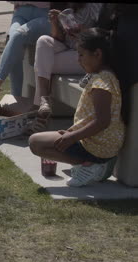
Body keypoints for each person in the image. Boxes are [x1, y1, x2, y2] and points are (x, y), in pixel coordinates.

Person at [28, 28, 125, 187]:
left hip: (97, 147)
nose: (78, 60)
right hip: (97, 143)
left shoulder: (102, 84)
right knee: (41, 140)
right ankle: (92, 164)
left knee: (35, 143)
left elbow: (103, 121)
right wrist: (73, 132)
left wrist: (72, 137)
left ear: (98, 54)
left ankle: (91, 165)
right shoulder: (104, 75)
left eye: (81, 54)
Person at [27, 3, 103, 134]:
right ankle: (44, 101)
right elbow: (59, 39)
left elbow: (102, 34)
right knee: (43, 41)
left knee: (42, 63)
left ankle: (40, 113)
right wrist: (55, 23)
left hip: (86, 56)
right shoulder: (68, 6)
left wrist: (81, 31)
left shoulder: (95, 6)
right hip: (68, 50)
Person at [0, 2, 51, 96]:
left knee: (18, 36)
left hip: (46, 15)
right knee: (14, 41)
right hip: (21, 13)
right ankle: (16, 98)